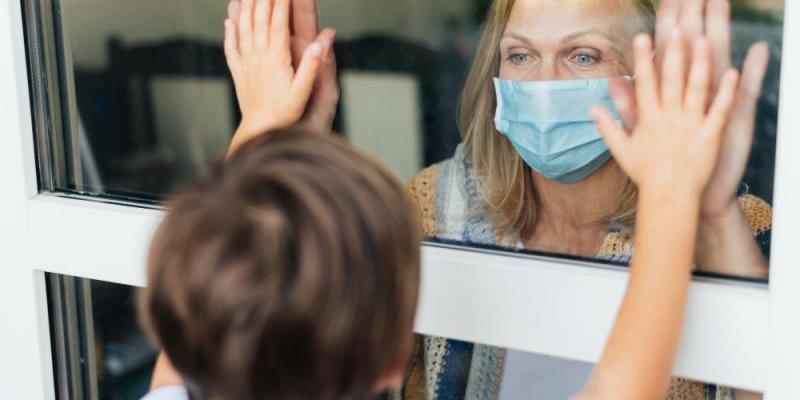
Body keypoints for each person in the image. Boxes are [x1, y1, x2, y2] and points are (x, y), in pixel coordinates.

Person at [140, 0, 743, 399]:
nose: (544, 83)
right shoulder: (437, 201)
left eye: (582, 56)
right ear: (392, 364)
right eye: (520, 56)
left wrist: (268, 124)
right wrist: (679, 196)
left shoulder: (185, 373)